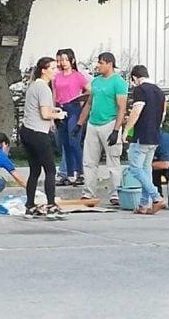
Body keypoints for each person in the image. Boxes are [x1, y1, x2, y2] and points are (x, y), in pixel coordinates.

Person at [74, 52, 127, 205]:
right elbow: (89, 103)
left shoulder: (118, 82)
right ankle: (88, 193)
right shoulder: (96, 82)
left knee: (113, 161)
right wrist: (79, 123)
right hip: (93, 124)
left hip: (109, 123)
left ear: (109, 64)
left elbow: (122, 107)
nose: (98, 65)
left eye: (101, 63)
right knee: (89, 161)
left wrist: (116, 130)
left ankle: (116, 192)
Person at [19, 57, 68, 219]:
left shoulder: (33, 86)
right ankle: (51, 205)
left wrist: (53, 109)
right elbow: (45, 113)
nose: (56, 71)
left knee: (35, 170)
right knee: (50, 170)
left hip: (26, 130)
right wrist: (59, 114)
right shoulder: (45, 89)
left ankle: (30, 205)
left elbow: (39, 107)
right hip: (38, 132)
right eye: (53, 68)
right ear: (44, 70)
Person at [122, 65, 166, 214]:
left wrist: (126, 129)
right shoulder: (159, 92)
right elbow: (163, 114)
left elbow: (136, 111)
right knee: (146, 169)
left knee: (135, 168)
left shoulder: (140, 90)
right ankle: (143, 204)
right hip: (155, 135)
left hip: (142, 136)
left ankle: (156, 197)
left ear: (134, 77)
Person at [53, 48, 90, 186]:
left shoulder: (78, 76)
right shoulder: (57, 76)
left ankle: (80, 172)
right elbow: (54, 94)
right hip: (60, 108)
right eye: (60, 60)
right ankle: (69, 174)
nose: (62, 63)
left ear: (72, 60)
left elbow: (90, 89)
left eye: (65, 60)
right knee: (65, 143)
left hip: (74, 108)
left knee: (73, 140)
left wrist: (82, 100)